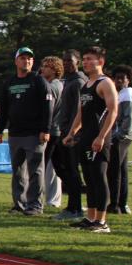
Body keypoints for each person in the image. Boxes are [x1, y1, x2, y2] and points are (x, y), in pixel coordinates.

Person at [62, 46, 119, 233]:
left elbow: (113, 111)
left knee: (99, 178)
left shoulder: (105, 83)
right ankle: (91, 218)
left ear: (100, 61)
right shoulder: (87, 84)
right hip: (85, 138)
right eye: (84, 59)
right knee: (89, 179)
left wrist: (101, 137)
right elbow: (81, 112)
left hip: (99, 138)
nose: (85, 62)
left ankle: (102, 222)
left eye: (89, 59)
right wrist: (72, 132)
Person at [0, 47, 53, 216]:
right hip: (15, 134)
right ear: (16, 61)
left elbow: (48, 107)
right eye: (22, 58)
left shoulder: (38, 80)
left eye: (29, 58)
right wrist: (0, 130)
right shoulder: (9, 82)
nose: (26, 61)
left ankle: (35, 205)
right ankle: (19, 204)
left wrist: (45, 129)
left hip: (34, 134)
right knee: (18, 171)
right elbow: (3, 108)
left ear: (33, 62)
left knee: (36, 171)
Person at [51, 50, 88, 221]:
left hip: (72, 134)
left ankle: (75, 208)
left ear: (77, 63)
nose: (66, 64)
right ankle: (73, 205)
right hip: (64, 131)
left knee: (71, 170)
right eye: (64, 60)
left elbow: (79, 111)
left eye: (70, 61)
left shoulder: (79, 82)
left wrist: (73, 133)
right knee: (61, 167)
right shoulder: (69, 81)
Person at [107, 65, 132, 215]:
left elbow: (129, 118)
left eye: (122, 78)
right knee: (122, 171)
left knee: (114, 171)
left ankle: (114, 205)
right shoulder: (123, 93)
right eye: (116, 78)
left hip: (122, 137)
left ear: (128, 79)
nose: (119, 81)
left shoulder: (128, 94)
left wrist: (117, 136)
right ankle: (122, 204)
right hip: (125, 136)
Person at [39, 55, 65, 208]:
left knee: (44, 167)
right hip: (55, 130)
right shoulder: (57, 85)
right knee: (53, 167)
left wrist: (44, 129)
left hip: (51, 131)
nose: (42, 69)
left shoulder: (53, 87)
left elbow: (49, 110)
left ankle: (43, 199)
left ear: (55, 70)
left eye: (46, 66)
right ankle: (53, 200)